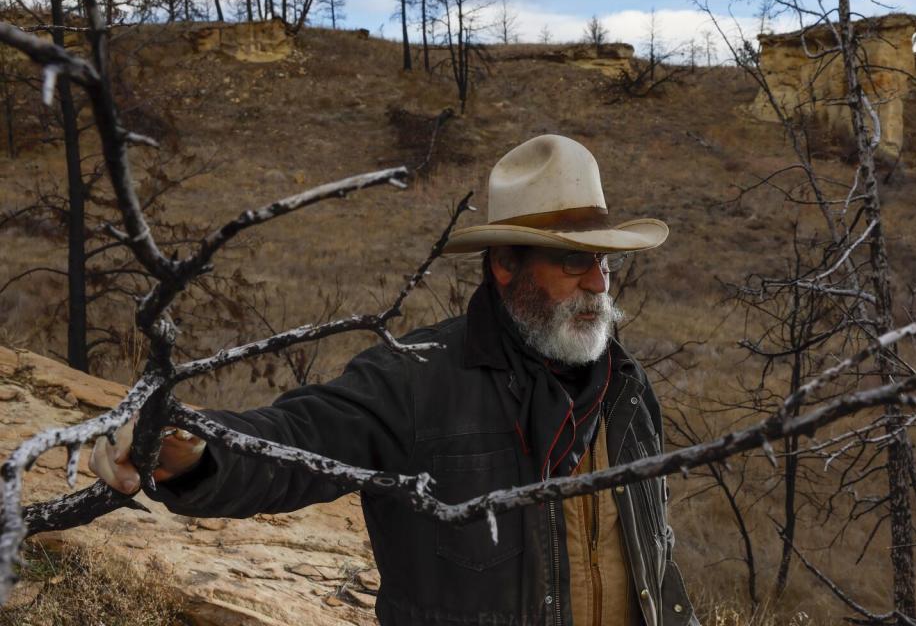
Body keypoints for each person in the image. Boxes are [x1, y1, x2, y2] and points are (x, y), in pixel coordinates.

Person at [90, 134, 699, 626]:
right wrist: (190, 451)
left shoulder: (625, 386)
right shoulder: (417, 377)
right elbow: (297, 439)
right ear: (505, 265)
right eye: (573, 260)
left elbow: (652, 553)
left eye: (604, 261)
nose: (597, 283)